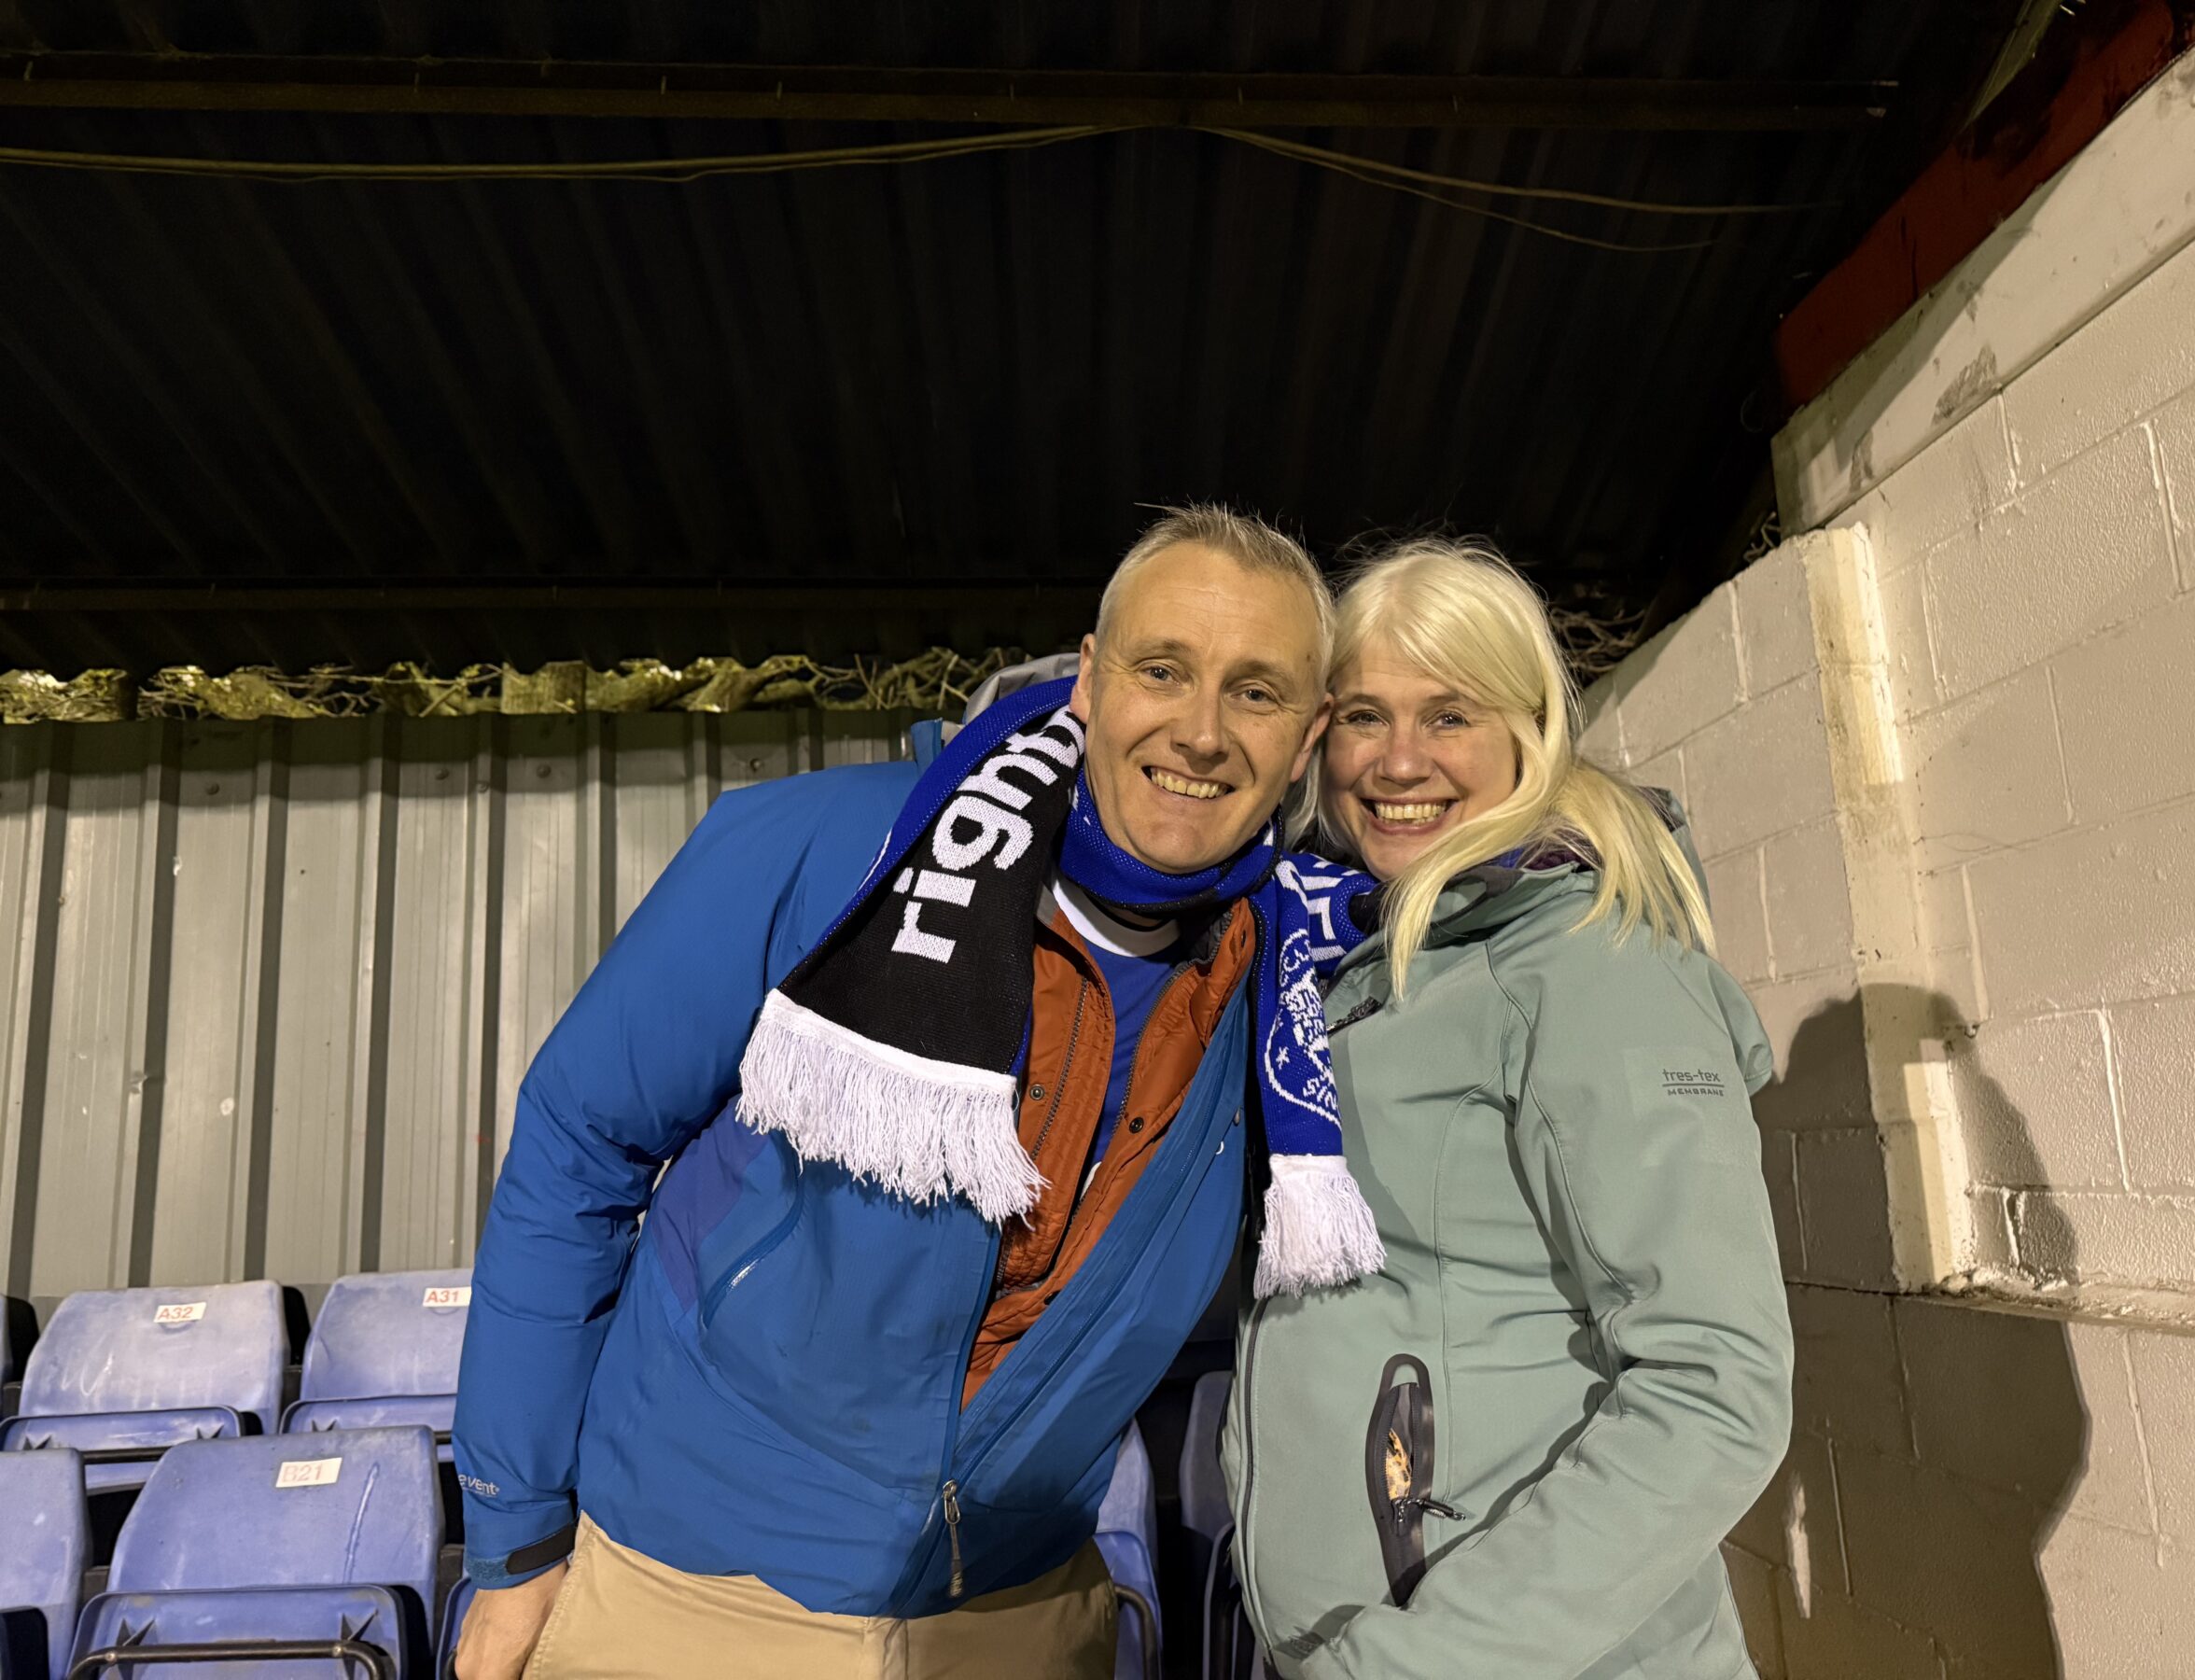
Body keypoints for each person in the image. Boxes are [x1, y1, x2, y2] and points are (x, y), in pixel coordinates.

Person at [451, 505, 1386, 1680]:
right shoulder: (827, 848)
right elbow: (577, 1148)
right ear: (1091, 680)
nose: (1200, 731)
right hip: (690, 1590)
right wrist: (517, 1539)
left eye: (1255, 692)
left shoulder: (1292, 982)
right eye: (1163, 669)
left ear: (1305, 742)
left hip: (1015, 1613)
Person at [1225, 538, 1793, 1679]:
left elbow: (1715, 1385)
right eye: (1364, 716)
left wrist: (1405, 1666)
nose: (1398, 760)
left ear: (1529, 732)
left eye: (1450, 715)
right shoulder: (1348, 958)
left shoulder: (1589, 967)